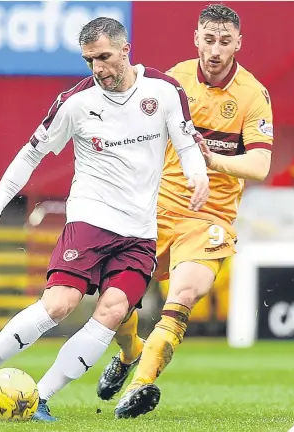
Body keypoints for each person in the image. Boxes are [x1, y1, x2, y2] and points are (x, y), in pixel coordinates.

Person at [0, 17, 209, 422]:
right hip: (90, 220)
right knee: (59, 304)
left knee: (112, 312)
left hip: (140, 232)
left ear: (126, 50)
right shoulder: (75, 103)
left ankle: (40, 397)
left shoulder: (163, 91)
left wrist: (197, 172)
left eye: (105, 57)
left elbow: (185, 140)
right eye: (89, 60)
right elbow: (30, 154)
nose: (98, 69)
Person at [97, 4, 274, 419]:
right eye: (208, 40)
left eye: (225, 41)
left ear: (238, 43)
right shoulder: (171, 82)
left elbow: (260, 165)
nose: (215, 50)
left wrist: (213, 162)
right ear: (196, 38)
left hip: (210, 218)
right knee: (116, 299)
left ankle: (141, 386)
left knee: (182, 296)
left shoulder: (252, 94)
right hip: (157, 209)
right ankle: (128, 356)